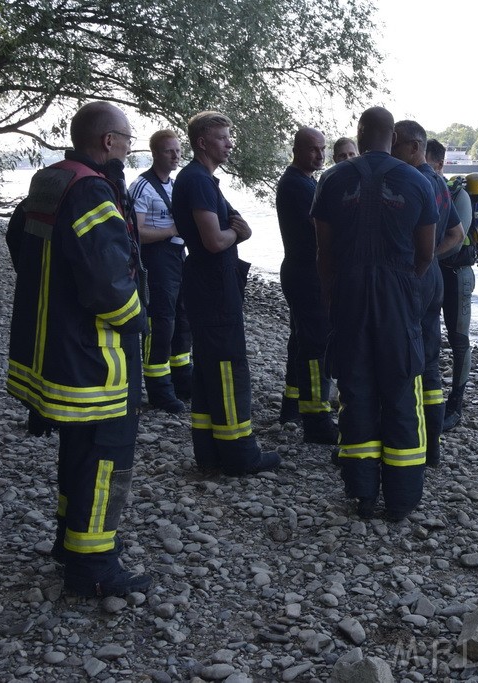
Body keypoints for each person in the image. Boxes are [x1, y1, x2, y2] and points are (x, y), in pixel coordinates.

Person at [5, 101, 150, 596]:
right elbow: (108, 286)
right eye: (128, 139)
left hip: (52, 348)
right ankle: (93, 568)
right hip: (95, 358)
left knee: (77, 447)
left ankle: (70, 541)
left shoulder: (50, 178)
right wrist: (139, 324)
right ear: (108, 141)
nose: (130, 148)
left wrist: (54, 292)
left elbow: (15, 238)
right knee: (106, 455)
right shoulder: (91, 189)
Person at [312, 106, 437, 520]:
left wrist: (334, 298)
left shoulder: (331, 180)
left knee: (356, 392)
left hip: (348, 294)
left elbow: (323, 253)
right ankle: (401, 499)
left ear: (361, 133)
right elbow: (425, 253)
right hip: (397, 297)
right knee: (401, 391)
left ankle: (363, 493)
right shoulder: (417, 182)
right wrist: (402, 287)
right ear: (393, 136)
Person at [171, 111, 280, 475]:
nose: (230, 144)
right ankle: (239, 454)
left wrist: (237, 229)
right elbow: (216, 239)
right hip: (213, 287)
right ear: (202, 142)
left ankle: (209, 451)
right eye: (223, 137)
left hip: (207, 284)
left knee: (207, 369)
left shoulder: (201, 180)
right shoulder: (198, 181)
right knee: (230, 367)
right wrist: (240, 235)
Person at [392, 122, 463, 468]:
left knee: (408, 358)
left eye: (395, 146)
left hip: (411, 277)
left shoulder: (409, 182)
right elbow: (457, 233)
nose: (390, 153)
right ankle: (432, 449)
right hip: (432, 277)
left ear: (412, 147)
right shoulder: (439, 183)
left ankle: (411, 444)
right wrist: (433, 255)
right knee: (432, 364)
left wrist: (420, 258)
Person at [275, 127, 339, 444]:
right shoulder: (297, 185)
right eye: (314, 149)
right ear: (297, 149)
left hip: (300, 271)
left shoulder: (304, 182)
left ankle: (293, 406)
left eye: (323, 149)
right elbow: (322, 231)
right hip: (304, 272)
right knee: (315, 347)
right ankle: (316, 420)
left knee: (302, 341)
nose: (319, 155)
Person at [129, 129, 191, 413]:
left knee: (182, 317)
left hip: (178, 257)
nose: (176, 155)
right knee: (160, 321)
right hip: (155, 260)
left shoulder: (176, 184)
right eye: (169, 151)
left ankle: (182, 380)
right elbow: (135, 232)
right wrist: (172, 230)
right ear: (155, 153)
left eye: (178, 150)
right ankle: (159, 390)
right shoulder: (142, 186)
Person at [427, 139, 476, 431]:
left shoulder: (458, 195)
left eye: (429, 165)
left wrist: (423, 259)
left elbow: (456, 239)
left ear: (440, 164)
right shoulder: (425, 188)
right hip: (434, 272)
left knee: (458, 340)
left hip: (457, 275)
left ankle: (456, 402)